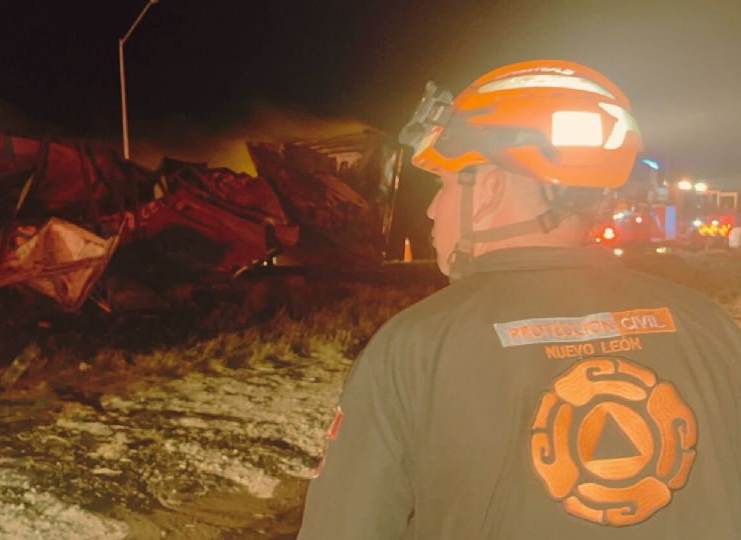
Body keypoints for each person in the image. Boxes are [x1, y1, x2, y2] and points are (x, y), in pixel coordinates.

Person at [298, 59, 741, 539]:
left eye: (443, 184)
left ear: (487, 189)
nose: (430, 209)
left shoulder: (416, 346)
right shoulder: (710, 327)